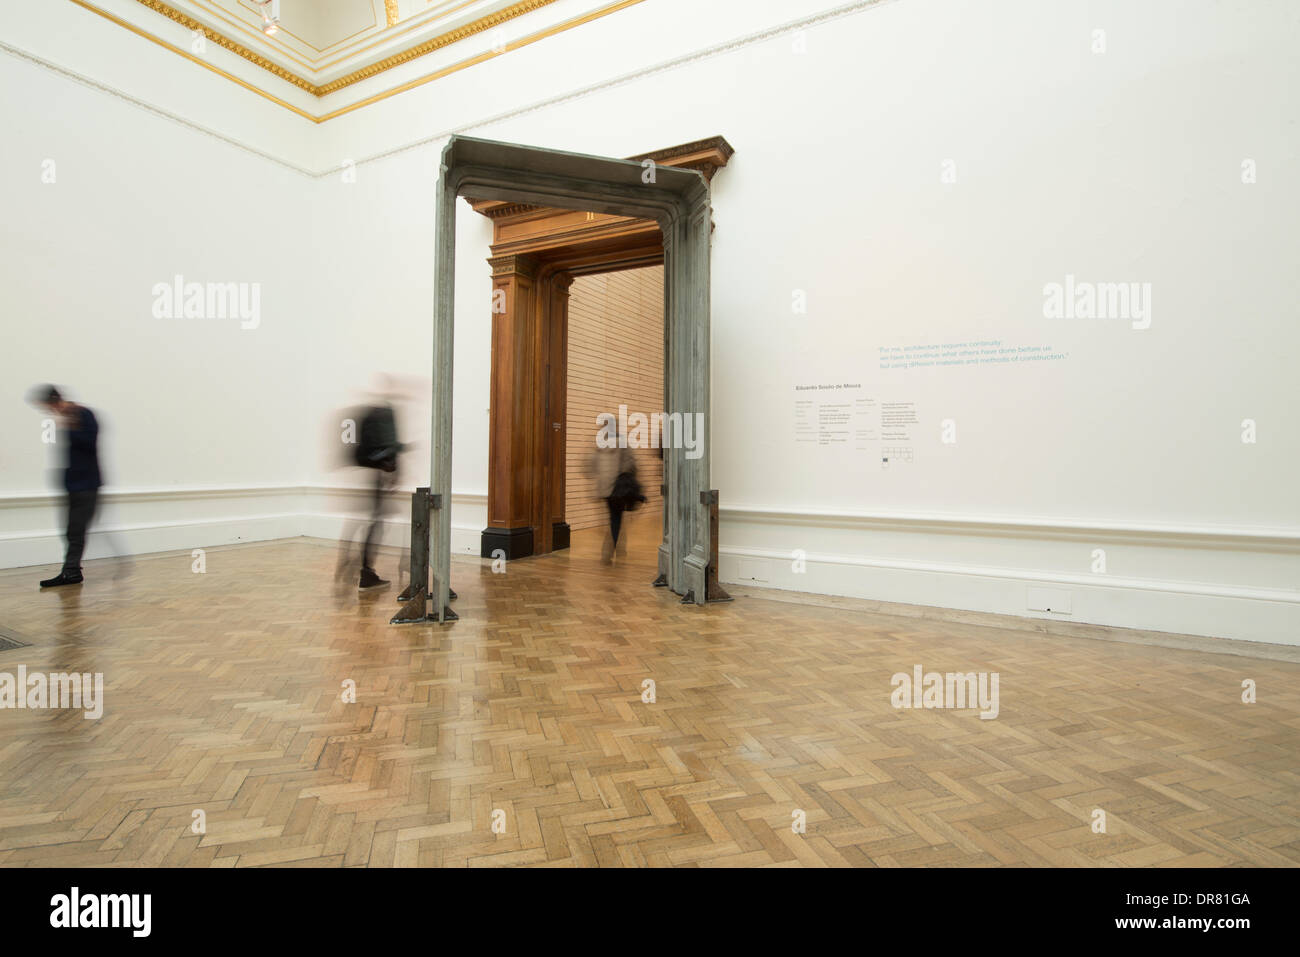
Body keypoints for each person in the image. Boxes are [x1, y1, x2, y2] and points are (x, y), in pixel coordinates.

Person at [29, 385, 102, 587]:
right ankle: (71, 571)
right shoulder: (65, 418)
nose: (49, 412)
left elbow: (89, 442)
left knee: (76, 530)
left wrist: (67, 425)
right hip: (73, 485)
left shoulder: (83, 414)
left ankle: (71, 572)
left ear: (54, 401)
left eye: (48, 407)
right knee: (71, 531)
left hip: (87, 485)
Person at [354, 398, 404, 589]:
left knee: (374, 522)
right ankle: (366, 572)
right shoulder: (385, 414)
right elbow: (390, 445)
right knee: (376, 523)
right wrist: (394, 472)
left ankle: (365, 571)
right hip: (377, 474)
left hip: (370, 473)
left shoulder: (372, 413)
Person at [589, 432, 646, 564]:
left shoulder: (600, 444)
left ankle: (619, 548)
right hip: (618, 489)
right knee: (616, 520)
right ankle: (608, 552)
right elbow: (631, 465)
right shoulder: (623, 444)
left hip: (604, 489)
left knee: (614, 519)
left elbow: (591, 466)